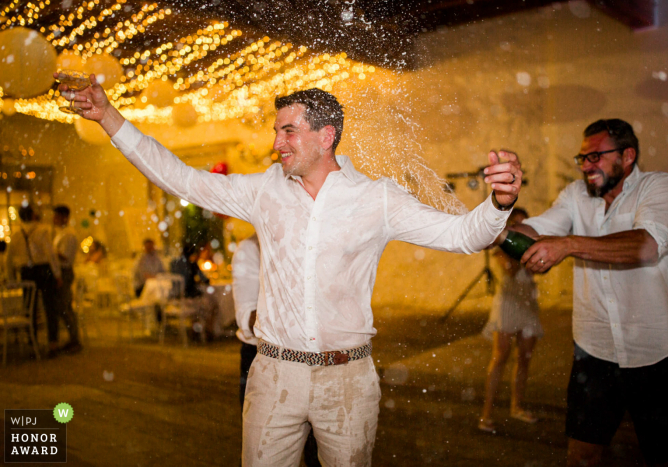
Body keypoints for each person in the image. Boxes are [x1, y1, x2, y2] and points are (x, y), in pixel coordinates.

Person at [60, 74, 522, 466]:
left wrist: (500, 203)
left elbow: (462, 235)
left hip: (347, 381)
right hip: (274, 376)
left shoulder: (376, 199)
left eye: (288, 131)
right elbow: (181, 177)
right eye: (277, 131)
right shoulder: (265, 191)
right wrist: (109, 118)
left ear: (327, 136)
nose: (276, 143)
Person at [513, 119, 668, 467]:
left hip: (654, 354)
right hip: (593, 353)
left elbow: (647, 246)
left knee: (660, 456)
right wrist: (497, 210)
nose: (586, 166)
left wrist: (568, 245)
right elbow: (532, 232)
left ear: (628, 155)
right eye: (582, 158)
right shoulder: (576, 196)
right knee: (582, 455)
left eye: (596, 157)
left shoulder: (662, 187)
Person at [232, 233, 320, 467]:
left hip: (316, 362)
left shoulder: (311, 241)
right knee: (267, 452)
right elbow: (249, 317)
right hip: (264, 360)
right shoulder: (251, 249)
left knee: (318, 453)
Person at [479, 207, 542, 433]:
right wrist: (515, 248)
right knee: (500, 357)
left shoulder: (532, 245)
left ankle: (517, 407)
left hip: (527, 302)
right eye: (517, 225)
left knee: (524, 358)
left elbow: (538, 269)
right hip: (507, 303)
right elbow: (510, 271)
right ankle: (486, 414)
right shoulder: (501, 247)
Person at [6, 204, 63, 358]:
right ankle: (53, 343)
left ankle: (33, 342)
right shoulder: (41, 230)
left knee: (29, 308)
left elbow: (9, 259)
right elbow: (50, 254)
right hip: (44, 270)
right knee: (49, 307)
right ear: (32, 215)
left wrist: (11, 279)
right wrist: (57, 274)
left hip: (26, 272)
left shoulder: (16, 234)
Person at [52, 205, 82, 354]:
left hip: (64, 271)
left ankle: (74, 339)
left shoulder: (69, 234)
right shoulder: (62, 233)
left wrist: (50, 252)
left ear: (64, 217)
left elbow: (65, 257)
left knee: (65, 307)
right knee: (63, 306)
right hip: (62, 271)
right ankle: (72, 339)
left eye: (56, 216)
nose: (54, 219)